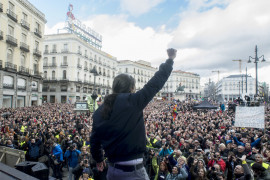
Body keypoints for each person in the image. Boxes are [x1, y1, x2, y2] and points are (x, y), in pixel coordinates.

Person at [90, 48, 177, 180]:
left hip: (112, 171)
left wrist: (98, 159)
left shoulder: (99, 111)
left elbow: (94, 140)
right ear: (131, 88)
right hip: (134, 172)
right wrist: (170, 60)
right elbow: (155, 83)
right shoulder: (134, 101)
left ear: (114, 88)